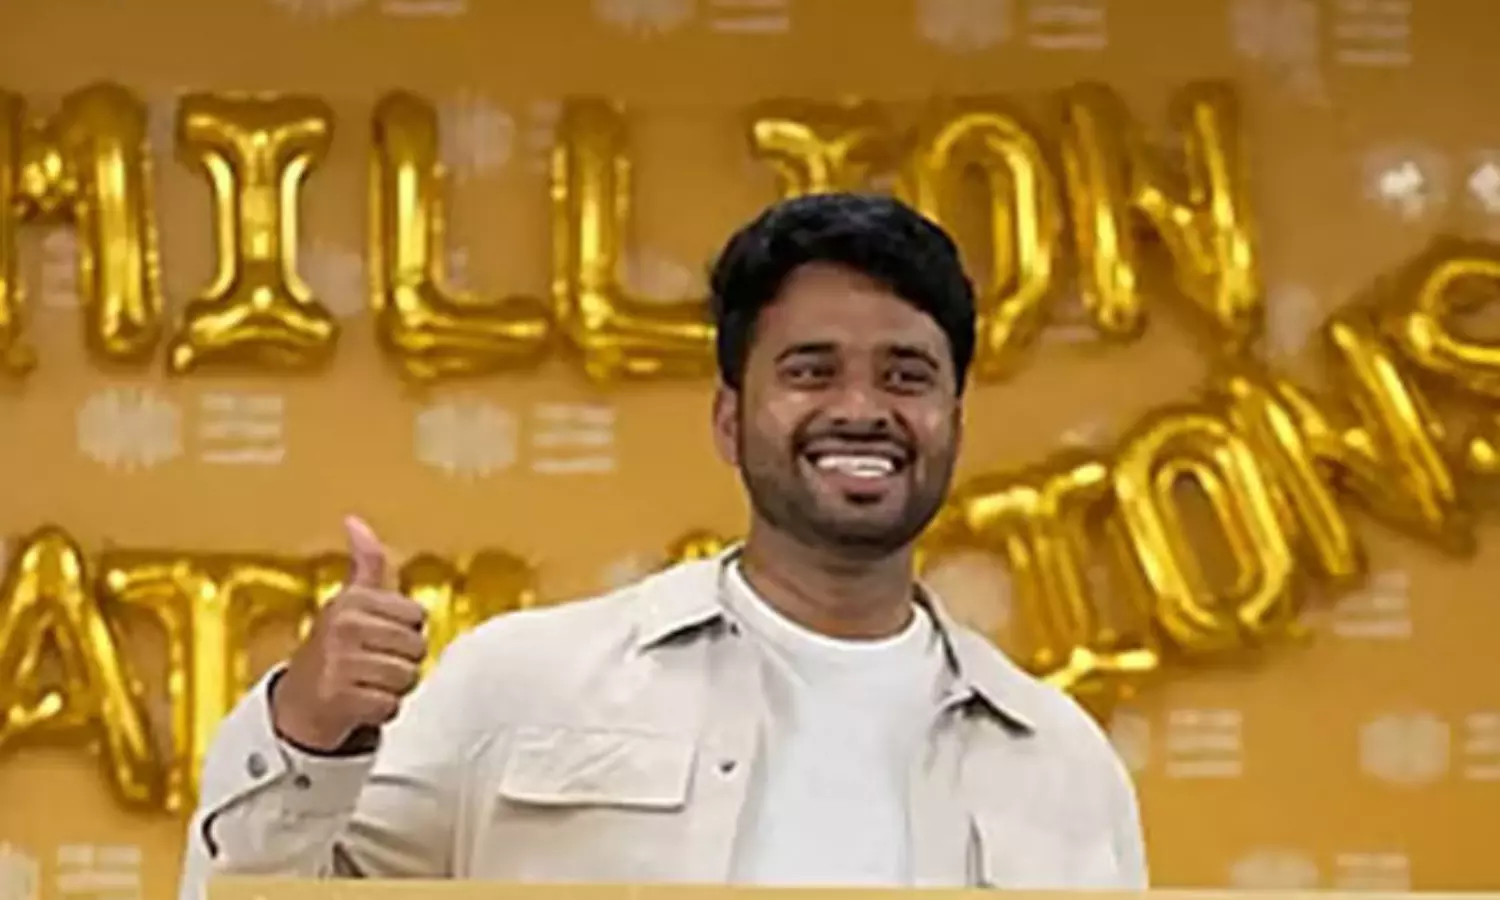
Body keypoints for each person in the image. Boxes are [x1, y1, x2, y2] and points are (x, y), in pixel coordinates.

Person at [178, 193, 1147, 895]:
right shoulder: (520, 685)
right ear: (729, 419)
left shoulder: (1062, 762)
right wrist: (305, 729)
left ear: (954, 422)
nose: (861, 408)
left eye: (906, 376)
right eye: (811, 371)